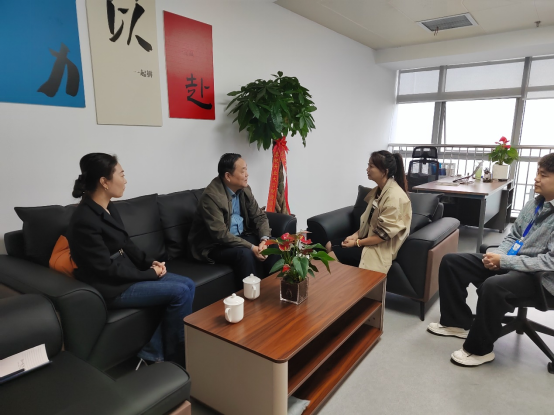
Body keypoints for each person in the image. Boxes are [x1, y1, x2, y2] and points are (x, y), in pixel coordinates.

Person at [67, 153, 195, 367]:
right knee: (180, 291)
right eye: (121, 174)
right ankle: (175, 360)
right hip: (110, 287)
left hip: (124, 274)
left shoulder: (108, 207)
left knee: (189, 284)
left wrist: (150, 263)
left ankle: (153, 353)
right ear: (104, 182)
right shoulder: (84, 220)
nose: (125, 180)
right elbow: (104, 269)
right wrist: (148, 274)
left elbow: (126, 243)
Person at [428, 153, 554, 368]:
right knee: (452, 262)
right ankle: (456, 322)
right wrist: (498, 257)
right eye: (537, 173)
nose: (536, 179)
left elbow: (550, 262)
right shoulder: (534, 204)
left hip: (542, 279)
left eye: (543, 175)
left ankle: (479, 350)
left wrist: (505, 262)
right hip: (515, 263)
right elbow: (514, 236)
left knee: (494, 286)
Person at [189, 153, 278, 281]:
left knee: (273, 244)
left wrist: (264, 241)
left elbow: (259, 217)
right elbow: (221, 235)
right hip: (214, 245)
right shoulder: (211, 197)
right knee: (245, 254)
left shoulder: (245, 189)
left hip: (239, 237)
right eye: (243, 171)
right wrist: (252, 247)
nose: (247, 174)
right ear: (228, 176)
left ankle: (274, 288)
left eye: (246, 169)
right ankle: (253, 292)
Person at [327, 150, 412, 274]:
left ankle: (340, 284)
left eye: (371, 166)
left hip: (379, 247)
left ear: (384, 172)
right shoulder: (379, 191)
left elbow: (383, 236)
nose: (367, 169)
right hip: (368, 238)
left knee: (331, 257)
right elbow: (369, 222)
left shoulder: (394, 197)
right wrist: (355, 235)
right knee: (329, 245)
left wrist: (356, 243)